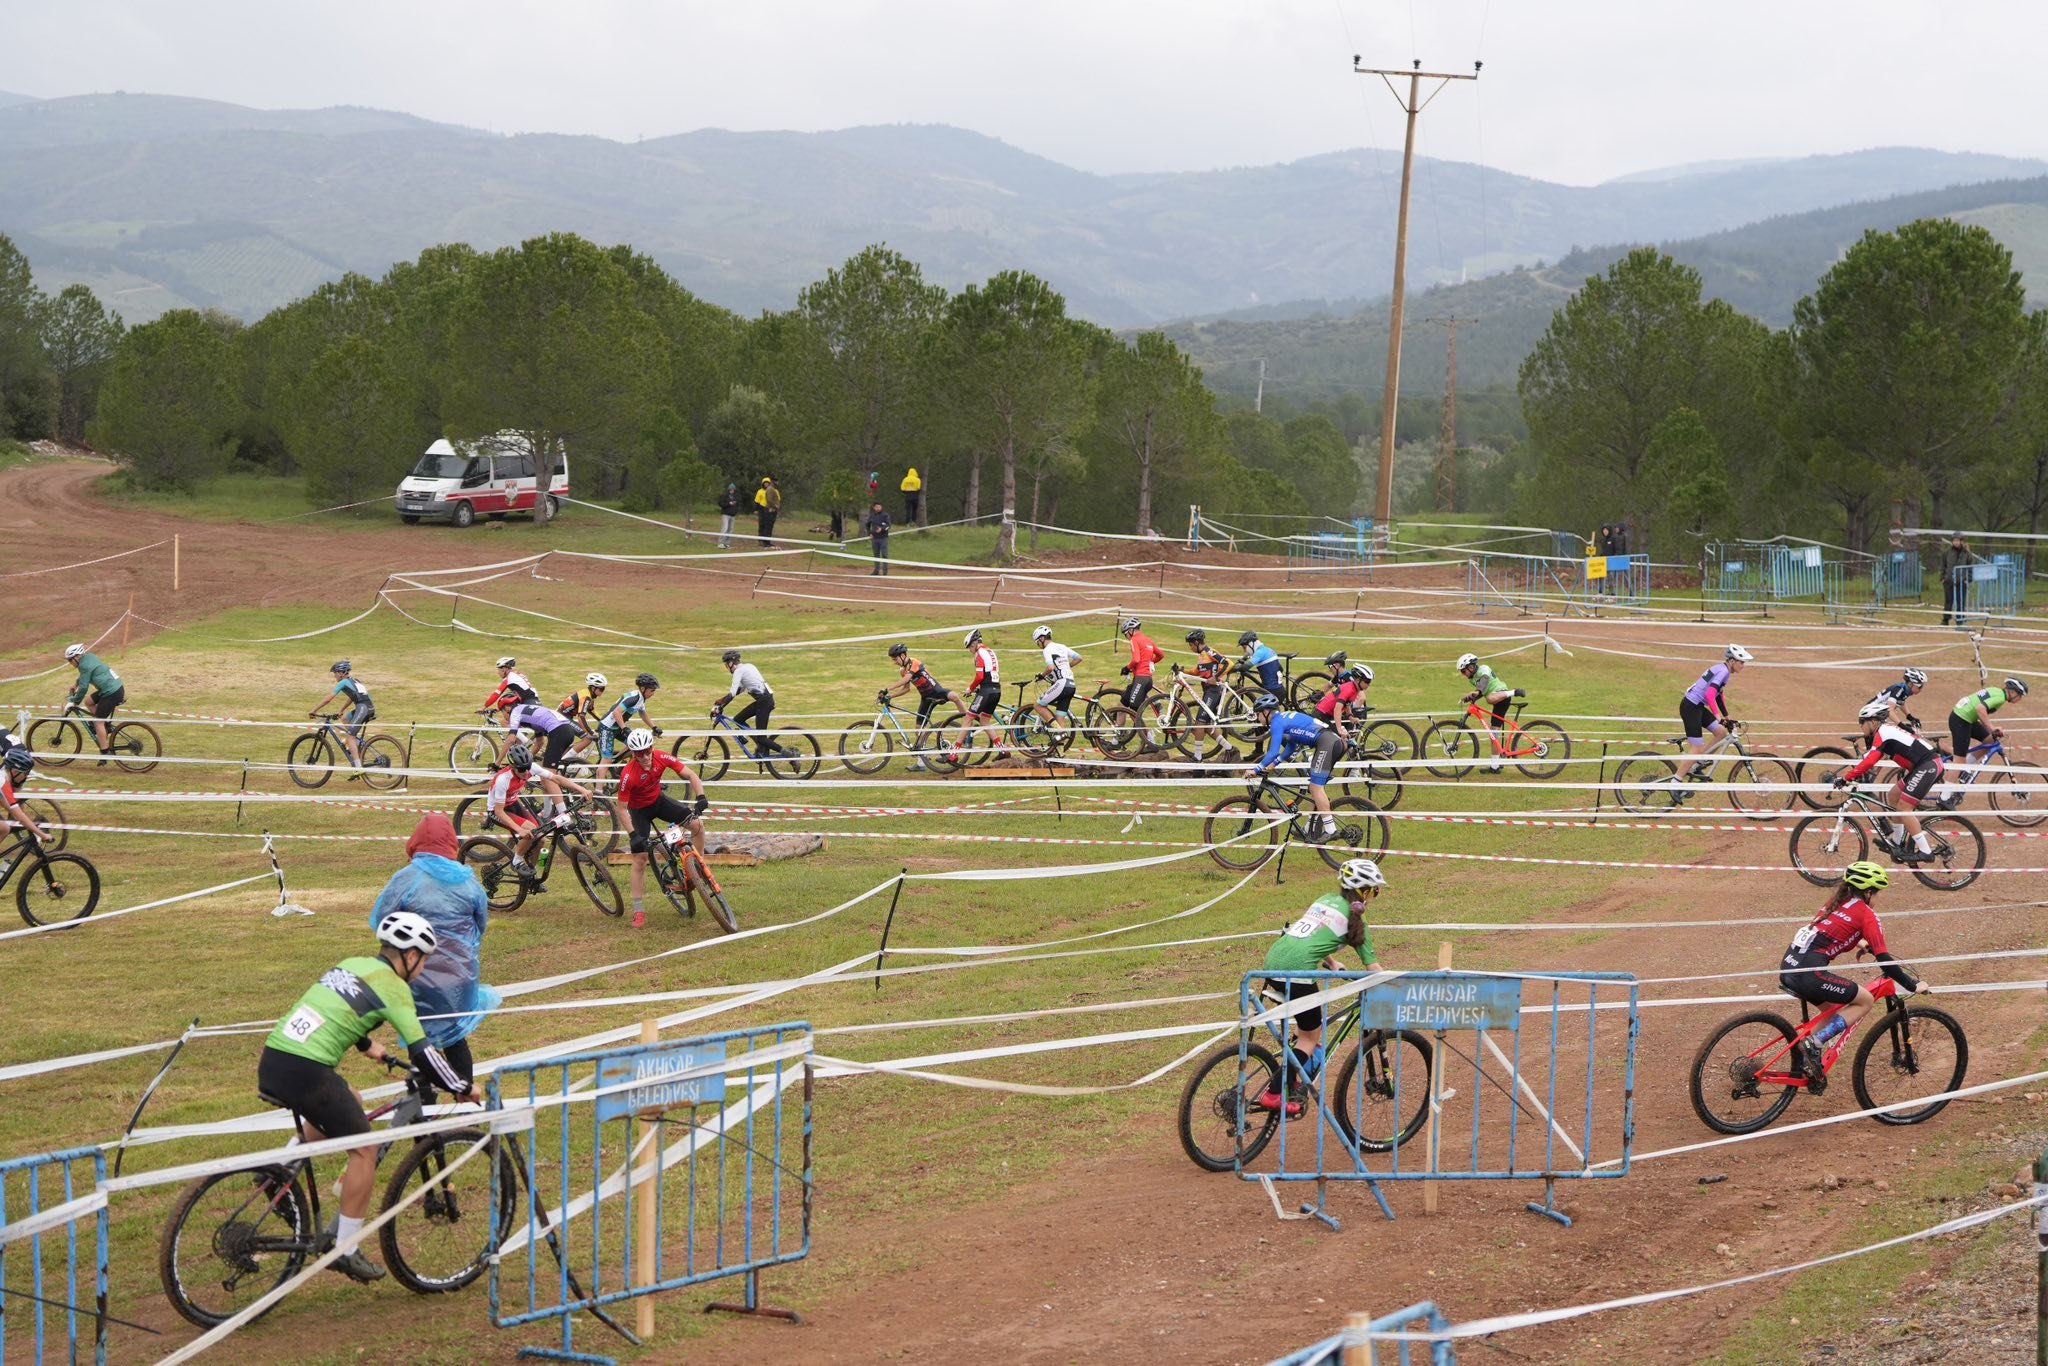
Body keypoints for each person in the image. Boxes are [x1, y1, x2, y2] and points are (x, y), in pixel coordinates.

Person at [258, 912, 479, 1283]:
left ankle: (277, 1176)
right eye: (422, 959)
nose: (422, 968)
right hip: (307, 1070)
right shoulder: (395, 988)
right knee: (366, 1149)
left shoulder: (351, 965)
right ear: (408, 957)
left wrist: (366, 1044)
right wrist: (460, 1086)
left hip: (276, 1058)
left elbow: (333, 1006)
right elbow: (422, 1053)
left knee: (351, 1098)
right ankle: (345, 1248)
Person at [367, 815, 497, 1086]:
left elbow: (382, 919)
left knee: (419, 1040)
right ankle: (465, 1096)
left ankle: (425, 1105)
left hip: (416, 974)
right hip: (459, 977)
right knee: (455, 1038)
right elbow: (481, 923)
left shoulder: (406, 878)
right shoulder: (468, 881)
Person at [1258, 858, 1388, 1116]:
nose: (1376, 895)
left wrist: (1331, 962)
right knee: (1310, 1036)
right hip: (1297, 972)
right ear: (1365, 891)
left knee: (1306, 1024)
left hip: (1272, 963)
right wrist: (1400, 983)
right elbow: (1374, 969)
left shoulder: (1326, 899)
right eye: (1375, 890)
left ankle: (1295, 1076)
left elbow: (1312, 935)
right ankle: (1274, 1093)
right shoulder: (1357, 920)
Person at [1775, 862, 1925, 1084]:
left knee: (1834, 1011)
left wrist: (1859, 942)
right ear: (1867, 892)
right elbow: (1885, 961)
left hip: (1789, 967)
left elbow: (1827, 932)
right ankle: (1814, 1044)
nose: (1877, 899)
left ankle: (1805, 1059)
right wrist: (1913, 985)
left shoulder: (1835, 903)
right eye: (1877, 893)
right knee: (1864, 1001)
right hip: (1809, 974)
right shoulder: (1867, 914)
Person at [615, 728, 709, 928]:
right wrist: (633, 835)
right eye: (639, 753)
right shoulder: (628, 775)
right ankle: (639, 910)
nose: (645, 756)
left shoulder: (661, 757)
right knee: (640, 859)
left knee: (697, 825)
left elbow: (691, 774)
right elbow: (621, 809)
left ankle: (698, 866)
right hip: (639, 812)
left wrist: (701, 796)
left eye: (647, 750)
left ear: (652, 747)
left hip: (659, 802)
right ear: (633, 754)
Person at [1832, 697, 1944, 862]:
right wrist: (1862, 773)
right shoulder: (1885, 731)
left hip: (1928, 765)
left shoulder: (1883, 732)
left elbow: (1870, 759)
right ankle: (1896, 842)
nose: (1861, 727)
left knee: (1904, 808)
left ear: (1872, 722)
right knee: (1893, 795)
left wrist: (1846, 778)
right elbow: (1876, 759)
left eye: (1861, 722)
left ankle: (1925, 851)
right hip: (1923, 766)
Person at [484, 742, 598, 885]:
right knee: (531, 830)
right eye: (521, 770)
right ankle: (517, 861)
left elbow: (556, 778)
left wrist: (581, 789)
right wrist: (520, 830)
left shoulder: (529, 767)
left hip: (513, 803)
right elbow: (499, 811)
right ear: (512, 767)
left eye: (527, 769)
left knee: (541, 839)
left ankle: (531, 876)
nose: (526, 773)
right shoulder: (503, 779)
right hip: (498, 810)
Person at [1248, 691, 1341, 842]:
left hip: (1327, 743)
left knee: (1316, 787)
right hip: (1330, 741)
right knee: (1315, 789)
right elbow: (1291, 747)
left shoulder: (1276, 723)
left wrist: (1255, 769)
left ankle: (1331, 830)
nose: (1258, 718)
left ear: (1266, 712)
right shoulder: (1284, 718)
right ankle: (1309, 828)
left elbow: (1272, 752)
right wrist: (1275, 764)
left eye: (1258, 714)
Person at [882, 643, 963, 768]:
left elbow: (907, 678)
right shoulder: (903, 671)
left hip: (935, 691)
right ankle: (921, 764)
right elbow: (906, 688)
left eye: (895, 659)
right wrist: (890, 696)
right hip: (926, 698)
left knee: (954, 696)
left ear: (903, 655)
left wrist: (888, 689)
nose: (895, 662)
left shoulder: (914, 663)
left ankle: (968, 719)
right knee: (918, 730)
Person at [1679, 645, 1752, 778]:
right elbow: (1710, 694)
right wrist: (1718, 717)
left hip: (1697, 706)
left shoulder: (1724, 670)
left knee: (1721, 732)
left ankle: (1698, 763)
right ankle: (1676, 782)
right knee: (1697, 748)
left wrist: (1727, 717)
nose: (1743, 665)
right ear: (1732, 661)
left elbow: (1719, 695)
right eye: (1741, 662)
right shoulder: (1723, 672)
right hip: (1691, 706)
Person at [308, 660, 376, 772]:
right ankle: (356, 745)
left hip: (363, 708)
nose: (334, 676)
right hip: (368, 707)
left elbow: (329, 698)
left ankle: (358, 768)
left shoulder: (343, 683)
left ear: (341, 673)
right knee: (344, 718)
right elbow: (353, 696)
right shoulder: (355, 681)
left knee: (350, 737)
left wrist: (314, 710)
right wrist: (342, 709)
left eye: (335, 673)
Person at [1455, 652, 1517, 773]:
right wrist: (1468, 698)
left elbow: (1484, 681)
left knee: (1489, 699)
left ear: (1471, 667)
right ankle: (1495, 767)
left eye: (1463, 671)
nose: (1463, 674)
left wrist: (1478, 691)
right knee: (1493, 734)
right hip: (1496, 701)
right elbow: (1481, 691)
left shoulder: (1484, 669)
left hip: (1501, 695)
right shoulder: (1472, 679)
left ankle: (1514, 692)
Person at [60, 643, 125, 760]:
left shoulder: (84, 665)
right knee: (89, 702)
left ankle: (105, 752)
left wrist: (74, 701)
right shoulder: (90, 657)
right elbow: (85, 675)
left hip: (111, 692)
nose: (70, 663)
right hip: (114, 688)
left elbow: (84, 687)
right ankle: (104, 727)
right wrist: (76, 684)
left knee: (97, 722)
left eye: (70, 660)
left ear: (77, 657)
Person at [950, 628, 1006, 761]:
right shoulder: (991, 651)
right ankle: (1003, 750)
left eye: (969, 647)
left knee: (968, 719)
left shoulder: (979, 653)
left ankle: (954, 753)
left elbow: (980, 676)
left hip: (986, 691)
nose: (969, 650)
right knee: (984, 720)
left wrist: (970, 689)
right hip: (996, 690)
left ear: (974, 643)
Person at [1947, 676, 2027, 768]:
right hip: (1961, 720)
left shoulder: (1997, 691)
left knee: (1991, 740)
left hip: (1965, 718)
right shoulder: (2000, 698)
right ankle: (1950, 780)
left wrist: (1991, 730)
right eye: (2020, 695)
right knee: (1959, 763)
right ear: (2013, 692)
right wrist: (1992, 728)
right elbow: (1980, 708)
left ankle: (1966, 767)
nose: (2020, 699)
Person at [596, 673, 662, 783]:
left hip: (618, 727)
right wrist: (624, 728)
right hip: (607, 728)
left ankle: (616, 760)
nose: (653, 694)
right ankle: (599, 793)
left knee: (638, 746)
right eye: (651, 691)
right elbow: (616, 712)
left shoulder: (641, 698)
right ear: (643, 688)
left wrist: (654, 727)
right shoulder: (634, 698)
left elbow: (643, 714)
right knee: (606, 760)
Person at [713, 650, 781, 756]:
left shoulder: (738, 671)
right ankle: (760, 745)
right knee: (738, 719)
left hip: (764, 703)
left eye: (727, 664)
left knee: (762, 738)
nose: (727, 667)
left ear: (731, 663)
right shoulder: (749, 666)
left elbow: (733, 693)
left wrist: (721, 707)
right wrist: (722, 699)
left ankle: (788, 754)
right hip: (764, 701)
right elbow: (741, 689)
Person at [504, 696, 583, 776]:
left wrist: (497, 762)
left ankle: (572, 788)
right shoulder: (531, 715)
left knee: (548, 775)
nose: (503, 717)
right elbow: (540, 742)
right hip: (565, 730)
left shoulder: (515, 712)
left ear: (507, 709)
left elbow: (511, 739)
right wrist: (528, 759)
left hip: (559, 732)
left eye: (502, 712)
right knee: (545, 772)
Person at [1311, 653, 1373, 744]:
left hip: (1356, 712)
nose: (1329, 670)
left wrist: (1350, 715)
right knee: (1340, 740)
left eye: (1330, 667)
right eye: (1367, 682)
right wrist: (1320, 693)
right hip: (1326, 713)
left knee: (1346, 740)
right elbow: (1329, 687)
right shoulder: (1341, 679)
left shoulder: (1351, 680)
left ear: (1337, 665)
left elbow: (1360, 698)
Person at [0, 747, 51, 851]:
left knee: (4, 828)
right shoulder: (3, 783)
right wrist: (42, 835)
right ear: (15, 772)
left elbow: (11, 809)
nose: (25, 778)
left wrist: (29, 824)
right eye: (25, 773)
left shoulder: (4, 778)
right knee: (3, 828)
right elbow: (19, 816)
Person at [1030, 625, 1081, 727]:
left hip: (1062, 684)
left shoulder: (1047, 649)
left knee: (1038, 705)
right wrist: (1067, 666)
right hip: (1071, 684)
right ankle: (1061, 738)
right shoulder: (1062, 646)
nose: (1038, 644)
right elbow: (1079, 658)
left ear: (1042, 638)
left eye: (1037, 642)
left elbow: (1050, 668)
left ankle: (1058, 731)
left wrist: (1041, 676)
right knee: (1060, 716)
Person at [1119, 618, 1164, 717]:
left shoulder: (1134, 639)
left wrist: (1127, 668)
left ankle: (1148, 733)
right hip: (1147, 679)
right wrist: (1150, 662)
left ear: (1131, 630)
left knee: (1134, 711)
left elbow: (1136, 660)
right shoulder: (1148, 640)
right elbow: (1161, 655)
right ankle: (1119, 731)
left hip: (1141, 679)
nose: (1126, 637)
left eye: (1125, 634)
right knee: (1122, 705)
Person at [558, 672, 609, 760]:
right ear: (593, 688)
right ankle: (563, 760)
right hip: (562, 718)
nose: (602, 691)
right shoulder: (586, 697)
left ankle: (563, 756)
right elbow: (581, 717)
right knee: (587, 738)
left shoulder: (588, 695)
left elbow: (592, 711)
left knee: (570, 741)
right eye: (601, 689)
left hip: (564, 716)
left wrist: (605, 722)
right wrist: (590, 732)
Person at [1940, 535, 1974, 626]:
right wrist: (1942, 578)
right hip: (1949, 580)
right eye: (1954, 540)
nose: (1956, 542)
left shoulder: (1966, 553)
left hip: (1961, 581)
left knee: (1961, 601)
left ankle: (1960, 620)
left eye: (1957, 540)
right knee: (1948, 600)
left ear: (1961, 541)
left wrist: (1968, 579)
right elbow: (1943, 565)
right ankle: (1945, 619)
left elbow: (1970, 567)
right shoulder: (1947, 552)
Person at [1239, 630, 1283, 696]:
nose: (1244, 650)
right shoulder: (1268, 650)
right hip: (1278, 688)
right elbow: (1281, 668)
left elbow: (1246, 666)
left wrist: (1237, 668)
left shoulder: (1260, 652)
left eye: (1245, 647)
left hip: (1271, 691)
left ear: (1251, 644)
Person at [865, 501, 893, 576]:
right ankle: (876, 570)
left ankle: (885, 571)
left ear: (881, 507)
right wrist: (869, 533)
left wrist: (882, 529)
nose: (877, 508)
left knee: (884, 554)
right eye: (876, 507)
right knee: (876, 555)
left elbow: (888, 525)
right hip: (874, 538)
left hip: (883, 538)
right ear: (874, 508)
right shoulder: (872, 516)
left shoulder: (885, 515)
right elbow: (867, 525)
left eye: (879, 507)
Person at [754, 476, 781, 546]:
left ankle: (767, 541)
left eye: (767, 483)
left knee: (769, 526)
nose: (766, 484)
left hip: (771, 509)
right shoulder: (764, 491)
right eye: (765, 483)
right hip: (765, 508)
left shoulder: (774, 490)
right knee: (763, 525)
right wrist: (757, 509)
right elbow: (765, 500)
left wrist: (777, 509)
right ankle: (763, 541)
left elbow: (777, 500)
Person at [716, 482, 742, 549]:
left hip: (733, 515)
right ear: (728, 489)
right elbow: (721, 503)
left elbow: (738, 504)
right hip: (725, 514)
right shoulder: (724, 496)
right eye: (731, 489)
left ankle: (727, 543)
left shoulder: (736, 496)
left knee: (730, 529)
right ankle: (721, 543)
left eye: (733, 489)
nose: (732, 491)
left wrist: (736, 511)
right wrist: (729, 504)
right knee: (725, 528)